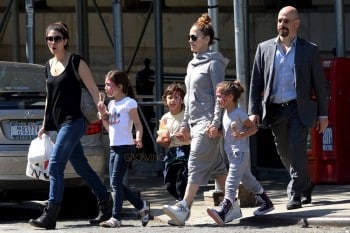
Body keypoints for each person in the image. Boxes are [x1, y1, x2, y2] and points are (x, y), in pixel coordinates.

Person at [29, 22, 111, 230]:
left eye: (57, 38)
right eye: (49, 38)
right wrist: (45, 124)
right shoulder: (48, 65)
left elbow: (93, 88)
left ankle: (50, 214)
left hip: (74, 121)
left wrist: (101, 108)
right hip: (58, 122)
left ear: (65, 41)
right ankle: (105, 201)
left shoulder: (75, 61)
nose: (53, 42)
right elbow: (50, 96)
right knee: (81, 166)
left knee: (55, 165)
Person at [248, 6, 329, 210]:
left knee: (297, 149)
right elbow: (255, 82)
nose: (281, 24)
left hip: (298, 109)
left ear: (296, 24)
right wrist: (253, 110)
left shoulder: (308, 49)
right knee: (283, 152)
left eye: (286, 21)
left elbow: (320, 85)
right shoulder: (264, 48)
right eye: (279, 20)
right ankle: (306, 183)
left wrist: (323, 114)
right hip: (274, 109)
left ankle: (294, 193)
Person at [162, 13, 228, 226]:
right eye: (189, 38)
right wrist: (184, 125)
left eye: (194, 37)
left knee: (195, 163)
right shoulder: (192, 65)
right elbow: (189, 97)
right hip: (196, 123)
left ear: (207, 39)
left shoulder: (214, 63)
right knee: (216, 167)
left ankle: (183, 207)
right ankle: (232, 204)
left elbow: (220, 96)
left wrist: (216, 123)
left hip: (208, 123)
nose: (189, 41)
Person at [207, 80, 274, 226]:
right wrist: (216, 133)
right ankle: (266, 202)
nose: (218, 100)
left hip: (239, 152)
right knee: (248, 180)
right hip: (232, 153)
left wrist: (242, 135)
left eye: (220, 96)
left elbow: (253, 128)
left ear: (230, 97)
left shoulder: (239, 113)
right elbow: (226, 133)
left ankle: (225, 210)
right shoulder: (226, 113)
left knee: (231, 180)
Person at [97, 70, 150, 228]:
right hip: (114, 147)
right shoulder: (111, 104)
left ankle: (116, 217)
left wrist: (139, 138)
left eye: (109, 85)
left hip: (126, 147)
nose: (106, 88)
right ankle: (141, 206)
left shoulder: (129, 103)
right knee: (116, 183)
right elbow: (110, 128)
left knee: (114, 182)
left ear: (120, 86)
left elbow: (138, 125)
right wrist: (102, 114)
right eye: (106, 85)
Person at [156, 83, 191, 201]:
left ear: (182, 100)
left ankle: (182, 203)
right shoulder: (165, 118)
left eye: (177, 97)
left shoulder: (187, 115)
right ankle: (181, 200)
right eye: (170, 97)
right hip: (172, 151)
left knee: (183, 179)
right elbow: (161, 139)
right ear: (165, 100)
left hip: (187, 149)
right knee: (169, 184)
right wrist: (165, 139)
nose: (173, 100)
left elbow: (196, 132)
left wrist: (188, 136)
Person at [135, 58, 156, 156]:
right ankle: (144, 150)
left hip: (149, 103)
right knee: (143, 127)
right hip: (144, 103)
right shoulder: (141, 74)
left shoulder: (151, 74)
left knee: (149, 127)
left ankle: (148, 150)